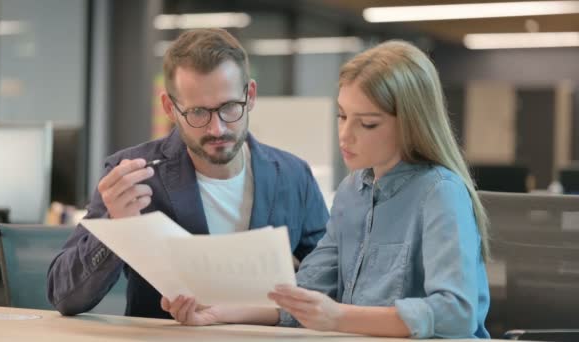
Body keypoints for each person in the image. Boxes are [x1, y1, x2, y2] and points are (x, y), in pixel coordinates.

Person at [161, 40, 491, 339]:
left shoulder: (440, 192)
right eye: (342, 116)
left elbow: (456, 313)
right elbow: (306, 297)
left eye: (368, 123)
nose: (345, 135)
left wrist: (338, 317)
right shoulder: (352, 192)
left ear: (411, 123)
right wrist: (218, 312)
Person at [47, 28, 329, 319]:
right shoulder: (134, 173)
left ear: (251, 95)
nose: (216, 128)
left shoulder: (294, 176)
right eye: (197, 113)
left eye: (230, 107)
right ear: (170, 107)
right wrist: (115, 228)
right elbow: (65, 297)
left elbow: (332, 284)